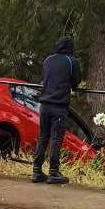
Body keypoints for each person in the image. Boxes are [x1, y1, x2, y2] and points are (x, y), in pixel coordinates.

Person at [32, 36, 81, 184]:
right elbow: (75, 82)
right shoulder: (71, 61)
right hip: (59, 106)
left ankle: (36, 171)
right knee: (56, 139)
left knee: (43, 137)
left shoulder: (48, 60)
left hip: (44, 104)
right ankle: (53, 172)